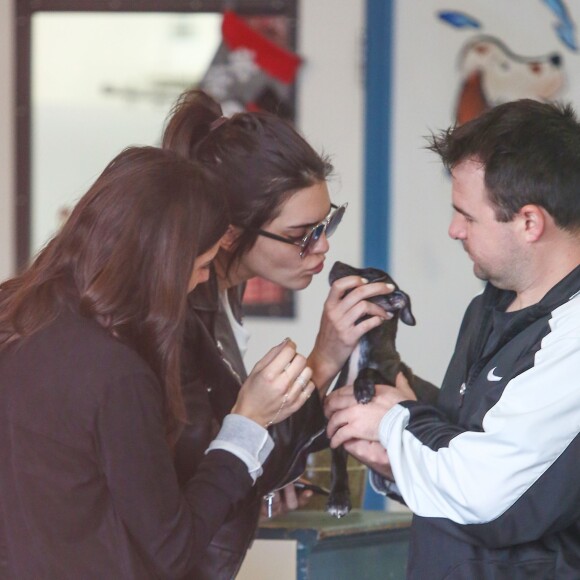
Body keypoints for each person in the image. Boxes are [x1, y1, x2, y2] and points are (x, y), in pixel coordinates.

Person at [0, 146, 318, 579]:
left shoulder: (16, 318)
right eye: (203, 264)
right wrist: (247, 423)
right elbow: (172, 550)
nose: (204, 278)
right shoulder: (115, 375)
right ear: (162, 264)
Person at [324, 99, 580, 579]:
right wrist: (390, 439)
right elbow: (464, 445)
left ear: (529, 222)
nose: (453, 230)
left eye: (468, 216)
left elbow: (487, 497)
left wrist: (395, 422)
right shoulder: (490, 305)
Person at [161, 89, 394, 577]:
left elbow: (248, 461)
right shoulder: (177, 321)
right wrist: (326, 356)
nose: (323, 246)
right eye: (302, 234)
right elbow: (228, 473)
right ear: (230, 231)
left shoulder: (225, 293)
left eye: (327, 223)